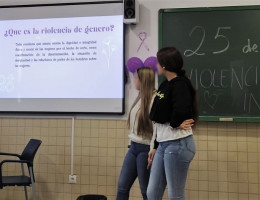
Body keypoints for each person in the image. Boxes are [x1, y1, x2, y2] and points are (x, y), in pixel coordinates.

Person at [147, 46, 198, 200]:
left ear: (164, 65)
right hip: (164, 144)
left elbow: (181, 110)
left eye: (158, 62)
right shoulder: (164, 84)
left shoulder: (180, 84)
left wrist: (174, 123)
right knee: (152, 193)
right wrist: (156, 145)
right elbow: (156, 116)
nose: (156, 66)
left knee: (175, 194)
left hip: (178, 144)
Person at [116, 67, 157, 200]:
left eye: (136, 78)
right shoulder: (139, 98)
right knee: (122, 186)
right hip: (133, 148)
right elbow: (134, 127)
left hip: (145, 149)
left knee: (146, 191)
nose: (134, 80)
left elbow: (156, 129)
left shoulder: (154, 100)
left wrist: (152, 149)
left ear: (143, 80)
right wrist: (130, 144)